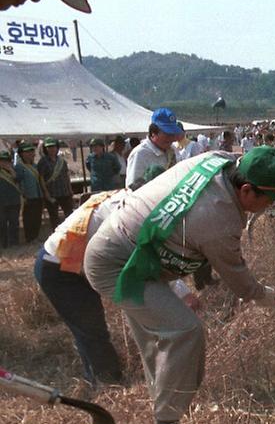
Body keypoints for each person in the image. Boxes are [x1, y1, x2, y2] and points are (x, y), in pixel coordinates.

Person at [83, 146, 275, 424]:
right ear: (248, 191)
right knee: (184, 330)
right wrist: (263, 295)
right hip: (119, 263)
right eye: (268, 200)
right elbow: (239, 281)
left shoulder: (220, 159)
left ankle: (162, 407)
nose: (269, 207)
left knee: (159, 335)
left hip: (137, 249)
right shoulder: (218, 219)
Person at [33, 166, 178, 388]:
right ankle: (109, 384)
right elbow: (144, 257)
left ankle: (100, 377)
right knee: (91, 328)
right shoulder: (127, 212)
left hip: (73, 263)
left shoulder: (124, 198)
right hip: (59, 268)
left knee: (89, 326)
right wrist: (180, 292)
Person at [125, 107, 182, 187]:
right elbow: (132, 188)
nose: (171, 138)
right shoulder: (140, 154)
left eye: (173, 134)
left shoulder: (172, 151)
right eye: (167, 134)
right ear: (153, 133)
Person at [15, 142, 49, 243]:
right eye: (27, 152)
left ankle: (35, 236)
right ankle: (30, 237)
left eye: (31, 151)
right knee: (29, 218)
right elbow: (17, 182)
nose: (30, 153)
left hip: (37, 194)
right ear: (22, 154)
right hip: (28, 196)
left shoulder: (34, 165)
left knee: (37, 217)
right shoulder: (19, 167)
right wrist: (22, 195)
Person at [38, 138, 74, 228]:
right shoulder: (43, 162)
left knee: (70, 215)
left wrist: (70, 190)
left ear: (57, 148)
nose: (52, 149)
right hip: (52, 193)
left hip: (64, 192)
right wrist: (46, 194)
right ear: (45, 149)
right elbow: (41, 178)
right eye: (49, 147)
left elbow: (66, 176)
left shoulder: (62, 161)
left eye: (53, 146)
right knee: (54, 218)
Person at [0, 150, 22, 248]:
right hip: (2, 202)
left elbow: (18, 180)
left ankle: (14, 242)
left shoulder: (15, 169)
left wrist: (11, 171)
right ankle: (3, 243)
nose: (4, 162)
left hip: (14, 201)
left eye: (6, 160)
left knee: (14, 223)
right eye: (2, 160)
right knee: (2, 224)